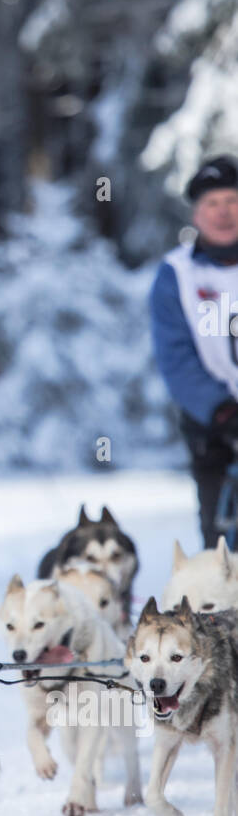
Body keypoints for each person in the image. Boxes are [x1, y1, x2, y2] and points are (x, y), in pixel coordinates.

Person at [151, 155, 238, 547]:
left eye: (232, 201)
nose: (223, 213)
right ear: (196, 214)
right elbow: (175, 355)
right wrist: (219, 409)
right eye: (211, 204)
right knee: (221, 544)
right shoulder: (176, 273)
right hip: (214, 429)